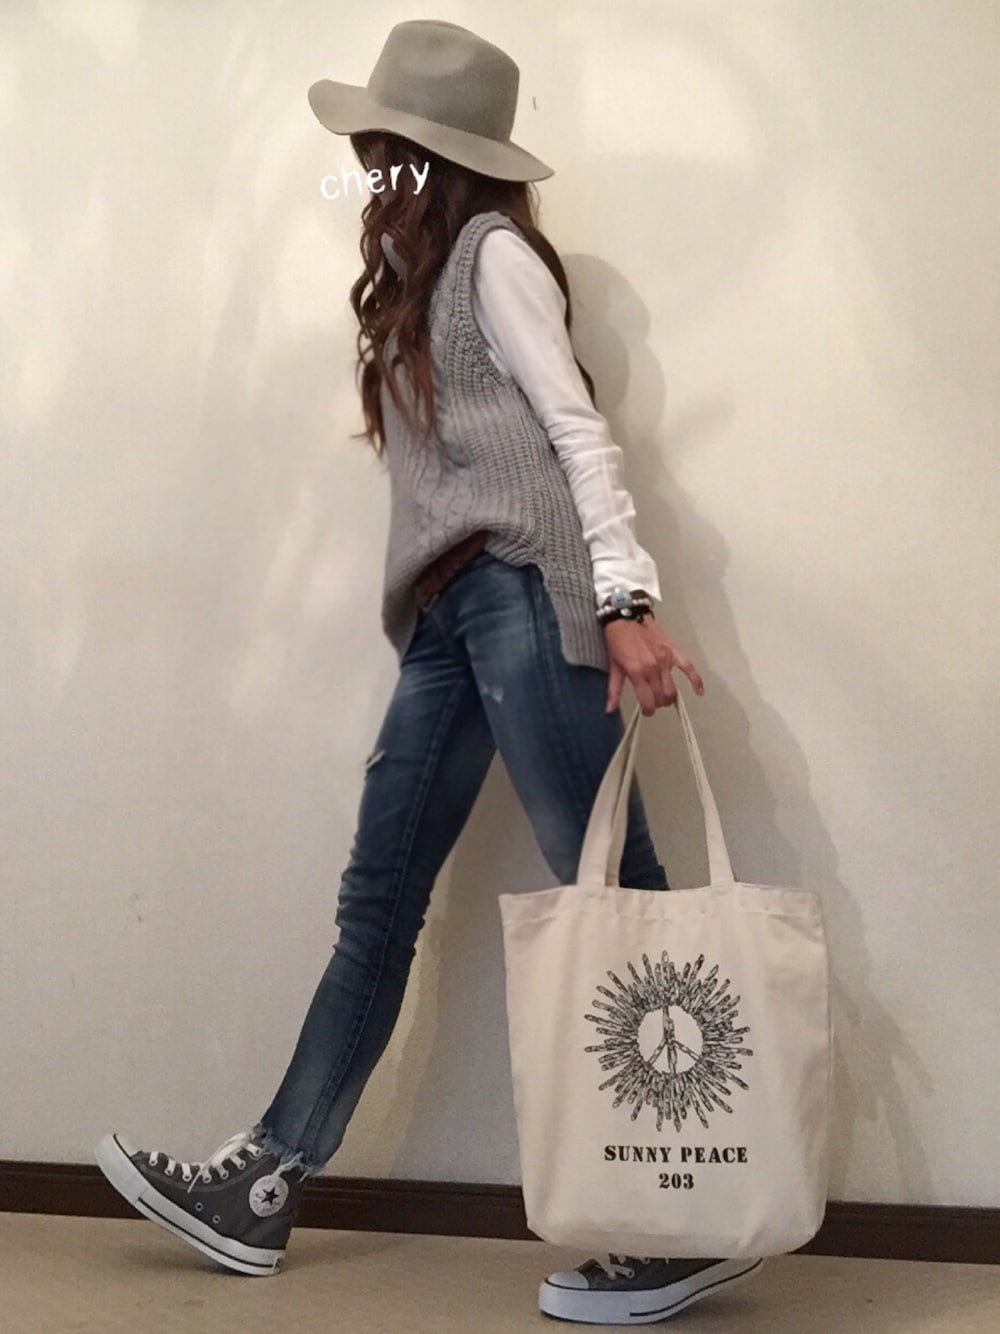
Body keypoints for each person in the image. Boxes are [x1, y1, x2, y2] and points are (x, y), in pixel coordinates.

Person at [95, 19, 762, 1325]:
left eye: (385, 145)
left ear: (433, 155)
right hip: (452, 619)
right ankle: (266, 1181)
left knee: (615, 898)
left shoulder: (494, 255)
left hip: (526, 591)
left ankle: (691, 1215)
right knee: (379, 900)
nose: (368, 165)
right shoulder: (415, 281)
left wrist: (625, 599)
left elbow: (578, 431)